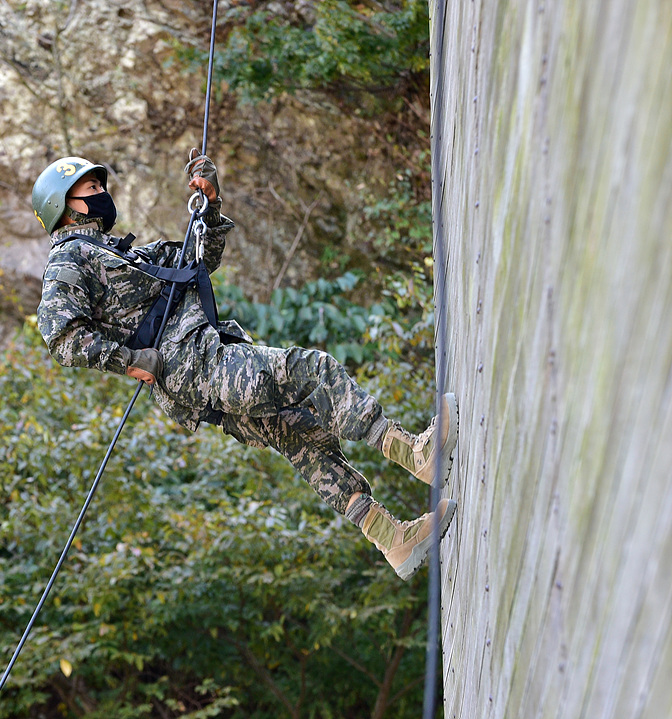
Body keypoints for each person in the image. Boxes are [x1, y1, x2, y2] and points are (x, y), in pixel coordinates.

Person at [31, 153, 458, 581]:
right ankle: (418, 455)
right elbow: (61, 337)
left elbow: (197, 264)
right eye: (91, 189)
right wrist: (130, 361)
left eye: (100, 186)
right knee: (312, 370)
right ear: (64, 207)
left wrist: (209, 205)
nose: (102, 193)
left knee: (298, 432)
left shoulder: (116, 253)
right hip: (197, 365)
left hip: (197, 370)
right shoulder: (69, 260)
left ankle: (391, 539)